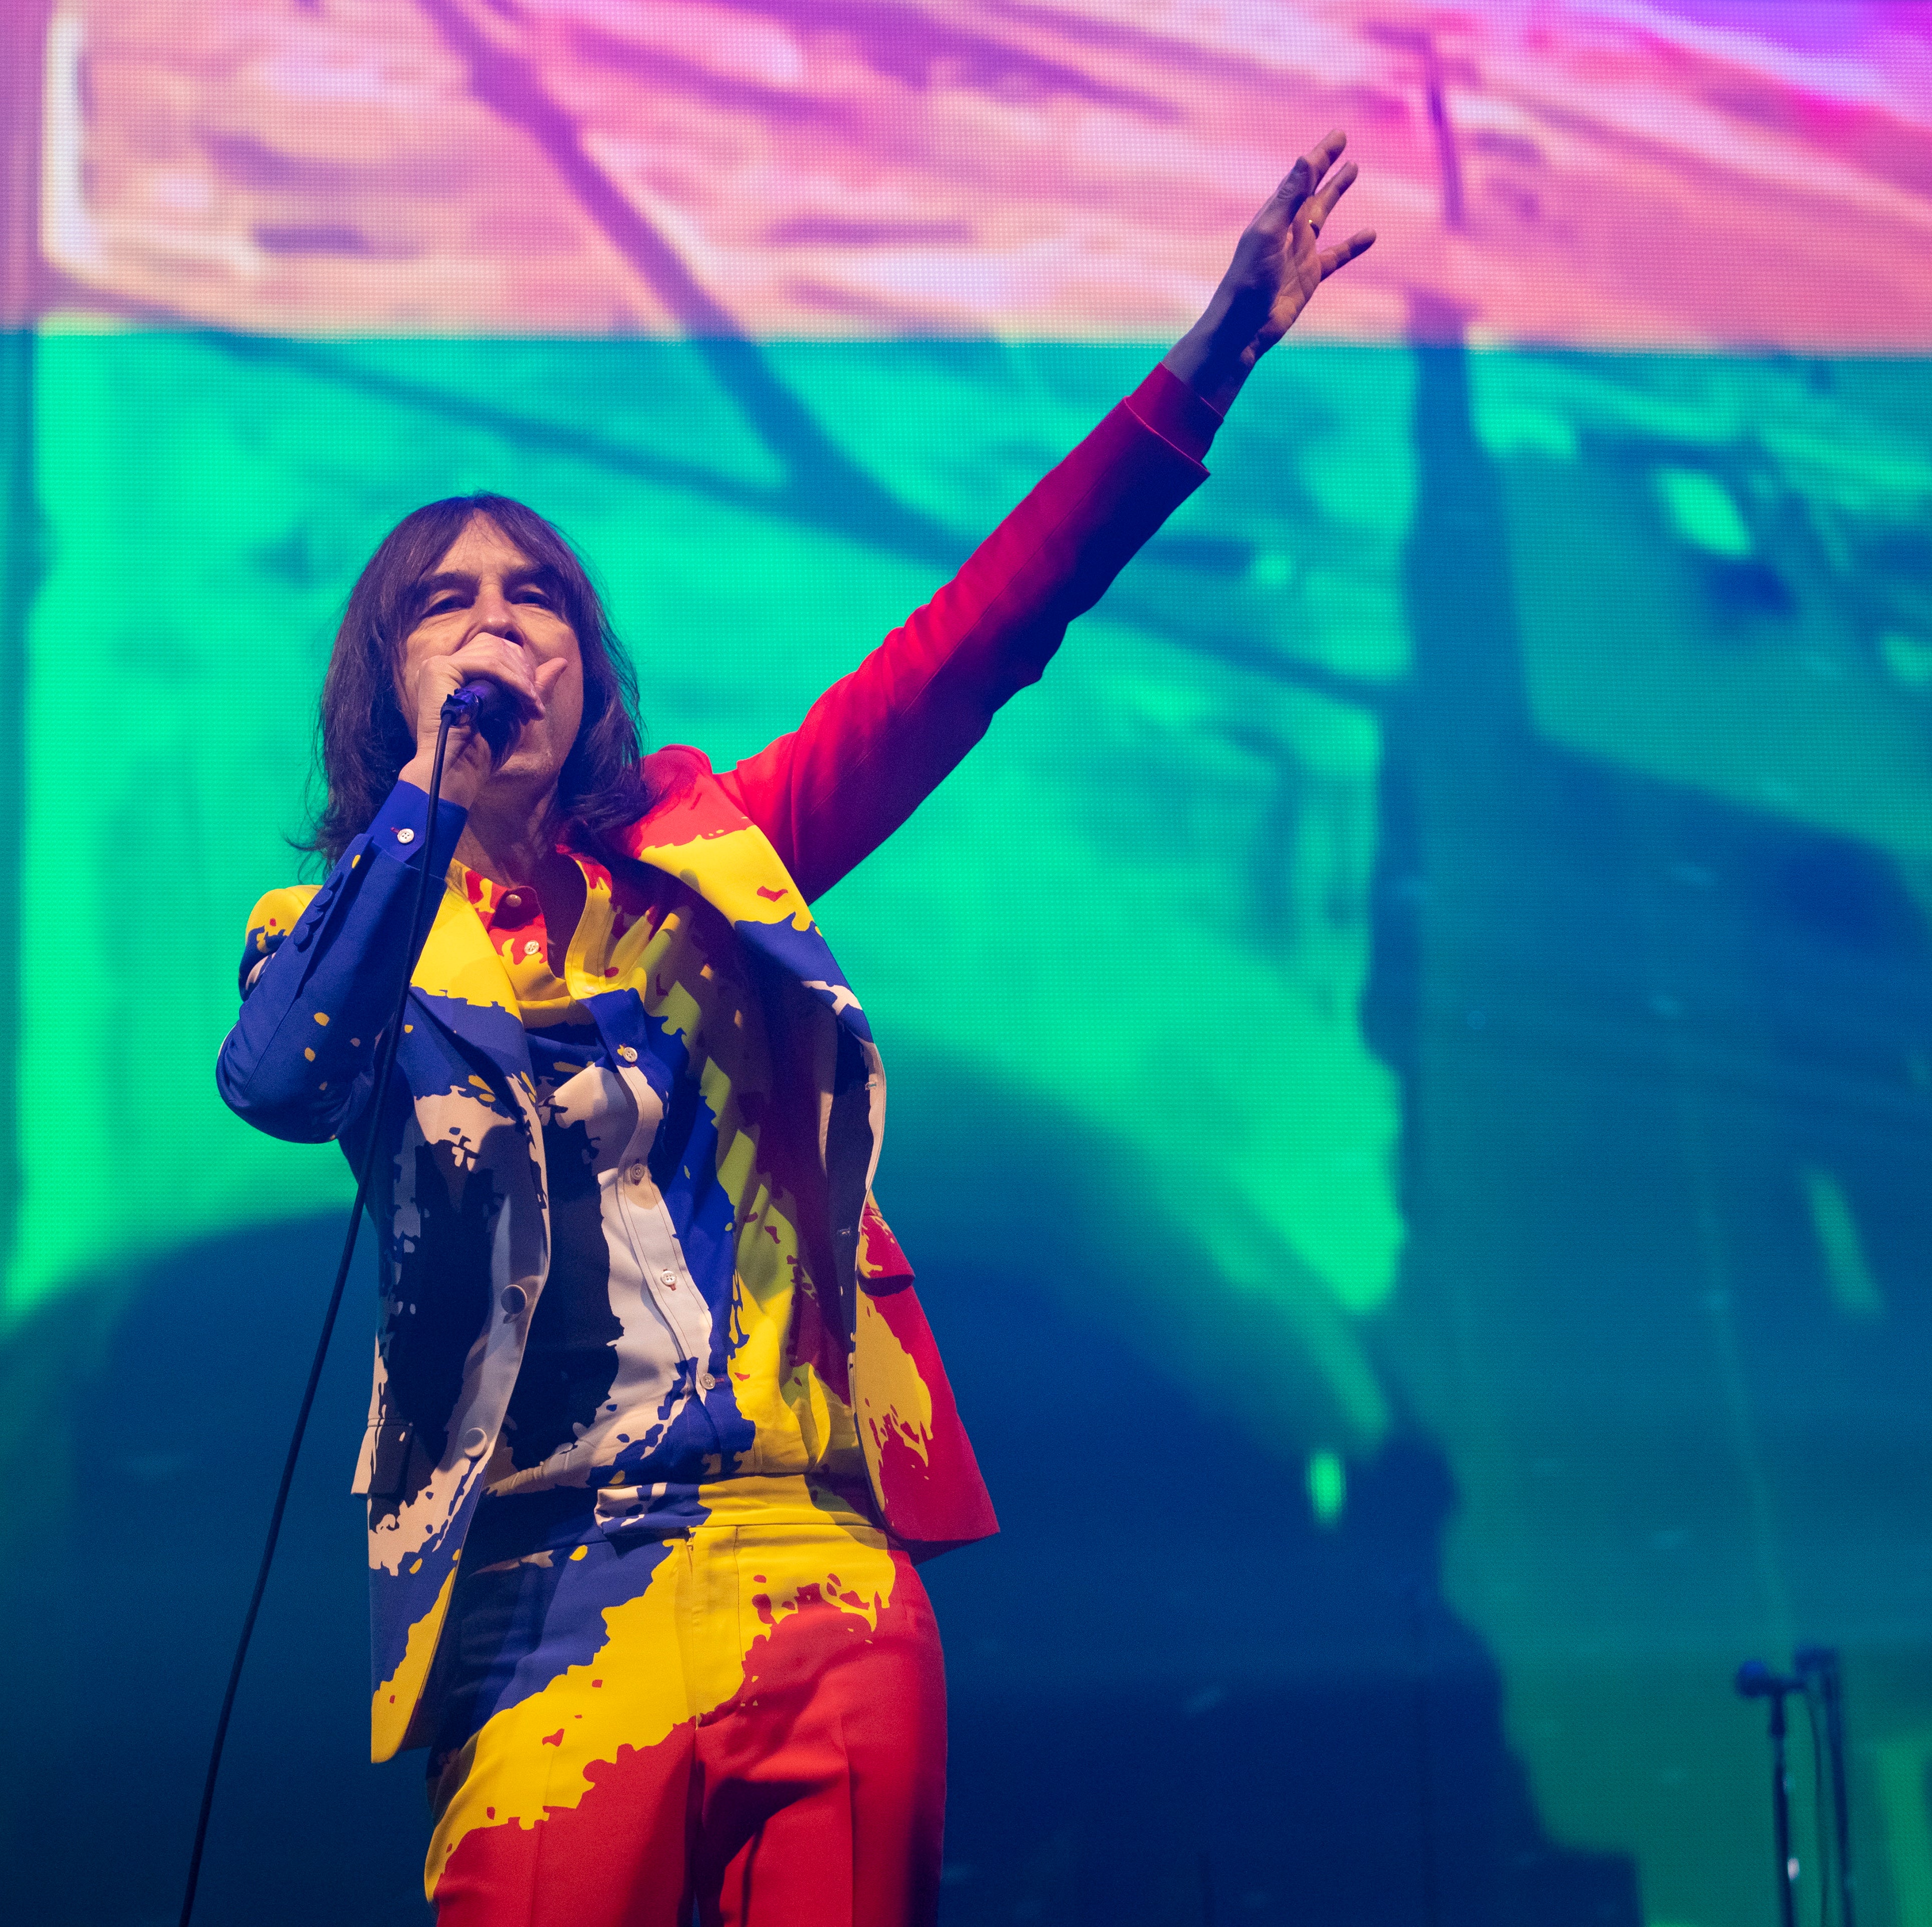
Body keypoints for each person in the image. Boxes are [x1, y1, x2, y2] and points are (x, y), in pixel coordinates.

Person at [217, 132, 1375, 1927]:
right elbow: (287, 1083)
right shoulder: (334, 936)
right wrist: (424, 817)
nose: (498, 623)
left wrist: (1208, 361)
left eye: (534, 598)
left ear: (590, 672)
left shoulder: (720, 864)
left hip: (806, 1558)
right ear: (383, 683)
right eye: (445, 604)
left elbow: (973, 646)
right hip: (543, 1599)